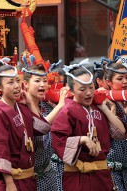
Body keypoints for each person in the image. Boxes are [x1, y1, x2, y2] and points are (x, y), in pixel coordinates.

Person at [51, 59, 127, 191]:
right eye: (82, 89)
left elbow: (121, 133)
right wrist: (82, 139)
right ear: (72, 91)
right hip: (78, 177)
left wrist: (103, 108)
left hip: (102, 176)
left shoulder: (98, 108)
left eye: (91, 88)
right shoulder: (67, 111)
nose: (88, 93)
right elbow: (59, 140)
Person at [0, 59, 51, 191]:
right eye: (11, 82)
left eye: (17, 81)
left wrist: (30, 104)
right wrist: (9, 183)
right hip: (11, 182)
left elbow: (43, 129)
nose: (17, 86)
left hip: (28, 180)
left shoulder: (21, 108)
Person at [22, 62, 68, 191]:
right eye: (37, 81)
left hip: (48, 174)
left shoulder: (47, 106)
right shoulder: (21, 108)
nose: (42, 84)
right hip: (28, 177)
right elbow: (40, 128)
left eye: (45, 81)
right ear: (25, 84)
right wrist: (60, 106)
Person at [103, 61, 127, 191]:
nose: (125, 81)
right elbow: (116, 133)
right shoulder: (103, 103)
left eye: (126, 78)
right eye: (120, 78)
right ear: (109, 82)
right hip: (111, 171)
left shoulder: (123, 102)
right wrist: (111, 108)